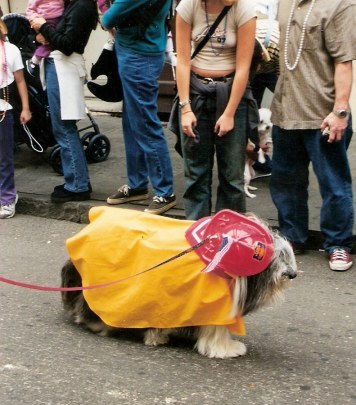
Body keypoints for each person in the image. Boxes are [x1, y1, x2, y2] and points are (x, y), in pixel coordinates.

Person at [269, 0, 356, 271]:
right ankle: (292, 237)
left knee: (333, 183)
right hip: (286, 110)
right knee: (285, 181)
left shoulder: (341, 4)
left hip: (323, 114)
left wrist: (340, 111)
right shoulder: (285, 2)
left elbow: (344, 61)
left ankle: (339, 244)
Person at [174, 0, 256, 220]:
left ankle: (228, 236)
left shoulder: (243, 9)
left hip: (231, 93)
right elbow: (182, 61)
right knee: (196, 174)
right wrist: (185, 108)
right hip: (196, 94)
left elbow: (243, 68)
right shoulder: (188, 6)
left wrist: (229, 113)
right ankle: (196, 234)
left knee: (232, 176)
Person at [102, 0, 177, 216]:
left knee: (144, 122)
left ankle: (165, 191)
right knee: (132, 121)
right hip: (141, 51)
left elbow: (108, 18)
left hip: (138, 56)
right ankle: (137, 184)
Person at [31, 0, 98, 203]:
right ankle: (78, 180)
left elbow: (67, 45)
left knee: (64, 127)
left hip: (63, 68)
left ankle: (77, 184)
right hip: (62, 67)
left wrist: (43, 26)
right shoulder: (77, 5)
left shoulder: (81, 5)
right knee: (64, 126)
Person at [0, 17, 32, 219]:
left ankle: (7, 198)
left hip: (3, 107)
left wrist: (26, 108)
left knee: (4, 158)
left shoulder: (10, 50)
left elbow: (20, 81)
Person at [25, 0, 65, 77]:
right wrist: (35, 19)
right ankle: (35, 60)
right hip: (44, 19)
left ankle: (35, 60)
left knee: (52, 40)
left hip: (60, 17)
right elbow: (30, 9)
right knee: (50, 41)